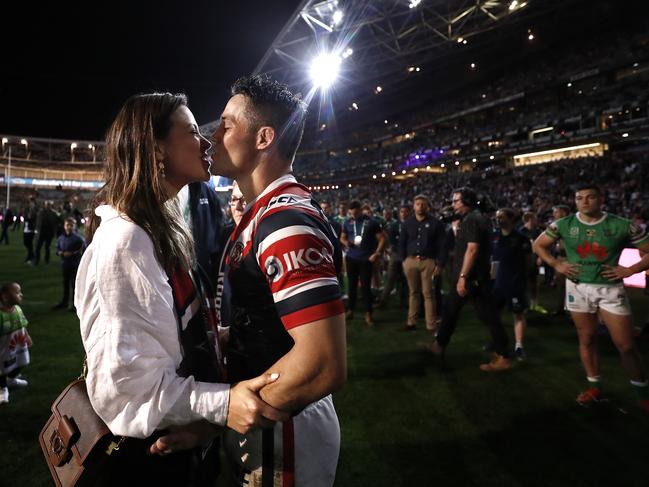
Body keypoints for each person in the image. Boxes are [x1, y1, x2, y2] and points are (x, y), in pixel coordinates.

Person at [75, 92, 288, 486]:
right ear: (155, 149)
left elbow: (168, 336)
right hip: (146, 459)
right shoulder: (125, 242)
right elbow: (127, 388)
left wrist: (219, 337)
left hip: (178, 445)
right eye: (192, 131)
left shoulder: (158, 227)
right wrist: (223, 405)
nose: (207, 142)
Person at [208, 74, 347, 486]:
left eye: (227, 124)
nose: (214, 135)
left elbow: (321, 363)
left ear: (264, 138)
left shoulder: (285, 221)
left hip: (284, 424)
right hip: (273, 414)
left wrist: (223, 417)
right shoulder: (263, 213)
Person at [533, 183, 649, 412]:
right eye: (579, 198)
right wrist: (557, 264)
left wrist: (629, 270)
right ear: (575, 201)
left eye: (590, 197)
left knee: (625, 345)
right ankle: (594, 386)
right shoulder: (563, 224)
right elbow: (538, 245)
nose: (584, 201)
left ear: (601, 199)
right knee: (586, 339)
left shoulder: (621, 224)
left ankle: (643, 394)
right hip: (577, 288)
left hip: (609, 289)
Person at [425, 187, 512, 372]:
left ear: (467, 202)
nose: (453, 204)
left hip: (471, 278)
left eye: (456, 201)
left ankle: (503, 356)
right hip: (475, 276)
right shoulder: (477, 218)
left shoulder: (472, 219)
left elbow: (472, 249)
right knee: (452, 311)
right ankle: (439, 345)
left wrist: (463, 277)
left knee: (487, 316)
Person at [399, 195, 445, 332]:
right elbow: (401, 242)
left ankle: (431, 324)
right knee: (413, 292)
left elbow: (442, 245)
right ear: (414, 206)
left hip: (428, 261)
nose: (420, 206)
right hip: (411, 261)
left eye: (423, 204)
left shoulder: (436, 223)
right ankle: (411, 322)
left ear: (428, 206)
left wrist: (440, 264)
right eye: (418, 204)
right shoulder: (407, 223)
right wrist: (404, 260)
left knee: (428, 293)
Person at [491, 208, 532, 360]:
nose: (498, 219)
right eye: (496, 217)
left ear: (510, 219)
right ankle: (497, 341)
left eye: (501, 217)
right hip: (497, 283)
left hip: (515, 282)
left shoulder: (521, 238)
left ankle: (519, 346)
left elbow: (528, 260)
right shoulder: (494, 236)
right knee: (495, 314)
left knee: (518, 314)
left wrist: (519, 275)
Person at [341, 200, 385, 326]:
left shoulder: (372, 222)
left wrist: (377, 253)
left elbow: (382, 238)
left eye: (356, 213)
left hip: (366, 259)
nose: (353, 216)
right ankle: (350, 310)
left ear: (360, 210)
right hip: (351, 258)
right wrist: (347, 243)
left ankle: (368, 313)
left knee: (366, 287)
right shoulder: (347, 222)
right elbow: (342, 237)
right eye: (352, 214)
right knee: (352, 286)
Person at [0, 282, 32, 405]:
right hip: (4, 348)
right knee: (2, 369)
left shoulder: (18, 310)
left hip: (19, 345)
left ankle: (11, 379)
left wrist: (27, 337)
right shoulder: (1, 315)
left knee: (22, 362)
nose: (21, 294)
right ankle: (2, 389)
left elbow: (22, 325)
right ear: (5, 297)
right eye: (17, 292)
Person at [377, 204, 411, 309]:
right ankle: (383, 300)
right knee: (390, 278)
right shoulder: (395, 225)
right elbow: (391, 240)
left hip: (408, 255)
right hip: (396, 254)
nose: (403, 214)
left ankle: (404, 302)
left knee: (407, 279)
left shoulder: (413, 224)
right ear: (399, 213)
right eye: (402, 211)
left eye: (406, 211)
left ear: (409, 212)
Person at [53, 217, 85, 311]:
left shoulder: (79, 239)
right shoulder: (61, 238)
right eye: (67, 225)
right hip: (65, 264)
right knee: (65, 284)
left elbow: (83, 251)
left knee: (75, 285)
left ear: (75, 226)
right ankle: (65, 302)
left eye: (71, 225)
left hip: (75, 265)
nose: (69, 227)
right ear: (64, 226)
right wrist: (62, 253)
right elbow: (57, 250)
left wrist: (72, 254)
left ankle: (76, 306)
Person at [34, 200, 60, 265]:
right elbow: (37, 222)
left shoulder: (53, 213)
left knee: (47, 247)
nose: (47, 206)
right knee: (38, 247)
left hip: (49, 232)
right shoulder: (41, 212)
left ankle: (46, 261)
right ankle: (37, 260)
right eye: (46, 204)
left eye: (49, 204)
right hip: (41, 232)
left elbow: (57, 222)